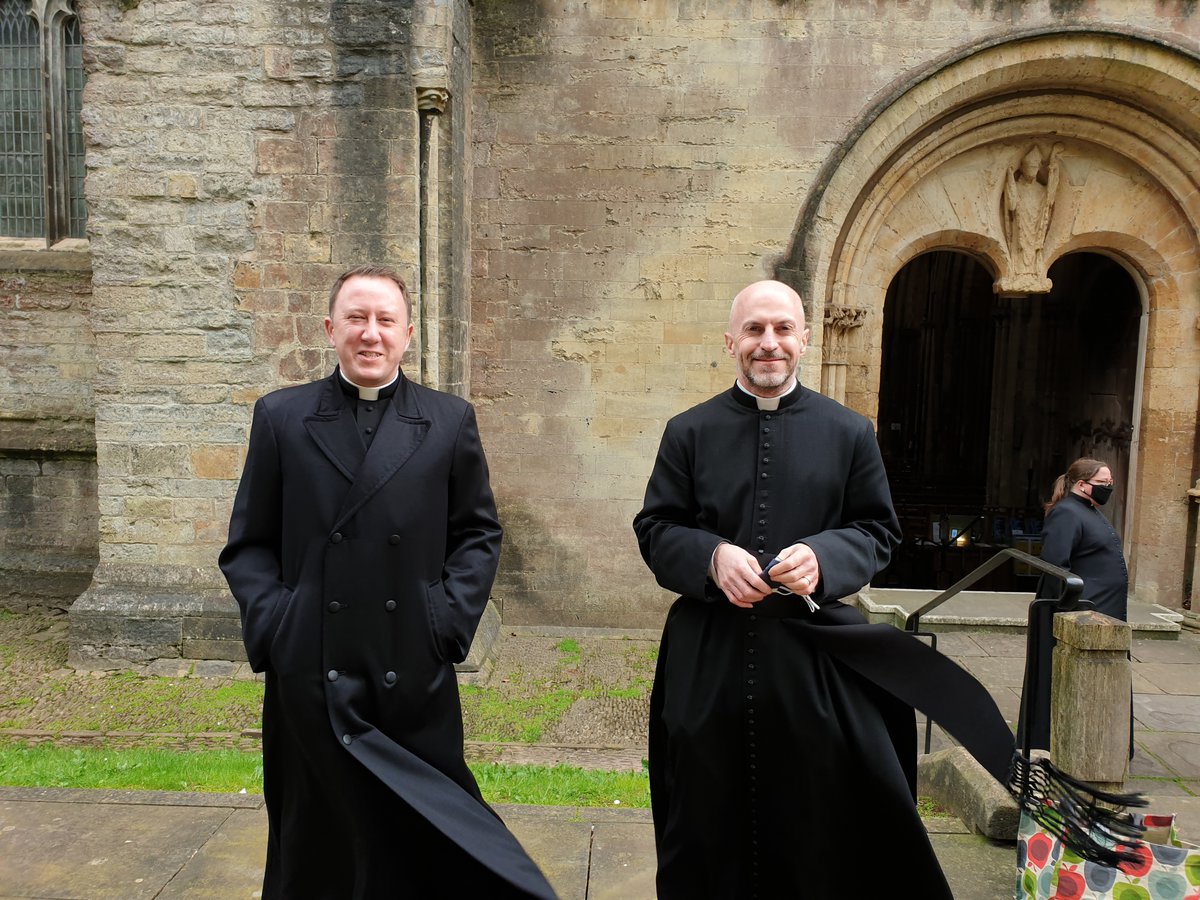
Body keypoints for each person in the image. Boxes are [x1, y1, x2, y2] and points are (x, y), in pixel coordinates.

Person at [219, 264, 556, 899]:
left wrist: (445, 621)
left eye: (384, 321)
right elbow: (249, 545)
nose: (370, 334)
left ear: (407, 334)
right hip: (311, 671)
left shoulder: (449, 419)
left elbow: (478, 533)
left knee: (424, 833)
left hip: (412, 668)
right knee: (315, 838)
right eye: (356, 318)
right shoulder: (282, 418)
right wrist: (277, 626)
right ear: (329, 329)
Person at [632, 279, 956, 899]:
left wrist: (823, 556)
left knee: (816, 810)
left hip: (813, 662)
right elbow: (656, 527)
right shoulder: (688, 431)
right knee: (702, 810)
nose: (768, 343)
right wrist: (711, 557)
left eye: (782, 329)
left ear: (805, 339)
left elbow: (877, 531)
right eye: (754, 330)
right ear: (731, 342)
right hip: (708, 656)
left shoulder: (849, 432)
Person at [1018, 457, 1130, 753]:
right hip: (1084, 610)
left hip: (1103, 610)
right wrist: (1070, 612)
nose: (1109, 487)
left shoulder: (1088, 509)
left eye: (1110, 483)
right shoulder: (1067, 512)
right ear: (1082, 485)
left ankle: (1102, 741)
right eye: (1103, 483)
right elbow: (1057, 566)